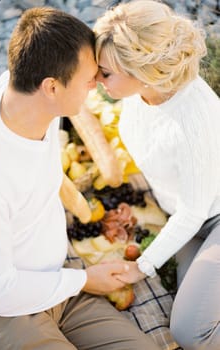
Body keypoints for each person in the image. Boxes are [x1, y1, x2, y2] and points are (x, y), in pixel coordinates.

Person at [0, 7, 160, 350]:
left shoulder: (22, 92)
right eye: (89, 78)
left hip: (61, 287)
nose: (97, 86)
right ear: (51, 87)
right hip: (4, 311)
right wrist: (83, 279)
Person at [94, 1, 220, 349]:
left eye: (104, 72)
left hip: (208, 216)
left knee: (191, 331)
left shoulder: (193, 119)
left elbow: (193, 211)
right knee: (192, 304)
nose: (96, 80)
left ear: (140, 70)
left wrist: (142, 267)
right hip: (190, 221)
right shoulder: (140, 94)